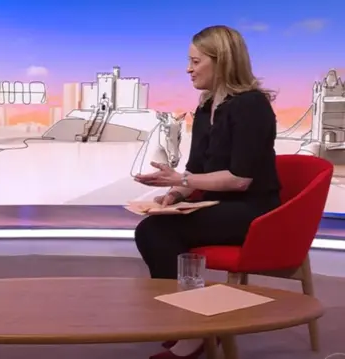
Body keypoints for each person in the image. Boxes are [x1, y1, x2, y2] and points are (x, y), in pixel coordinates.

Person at [133, 25, 281, 359]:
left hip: (256, 211)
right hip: (218, 205)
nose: (188, 68)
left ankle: (195, 328)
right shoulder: (205, 107)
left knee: (157, 232)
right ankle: (190, 317)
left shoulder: (251, 106)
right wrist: (173, 194)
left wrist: (183, 181)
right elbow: (197, 168)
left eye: (195, 61)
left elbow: (240, 179)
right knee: (154, 225)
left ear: (222, 61)